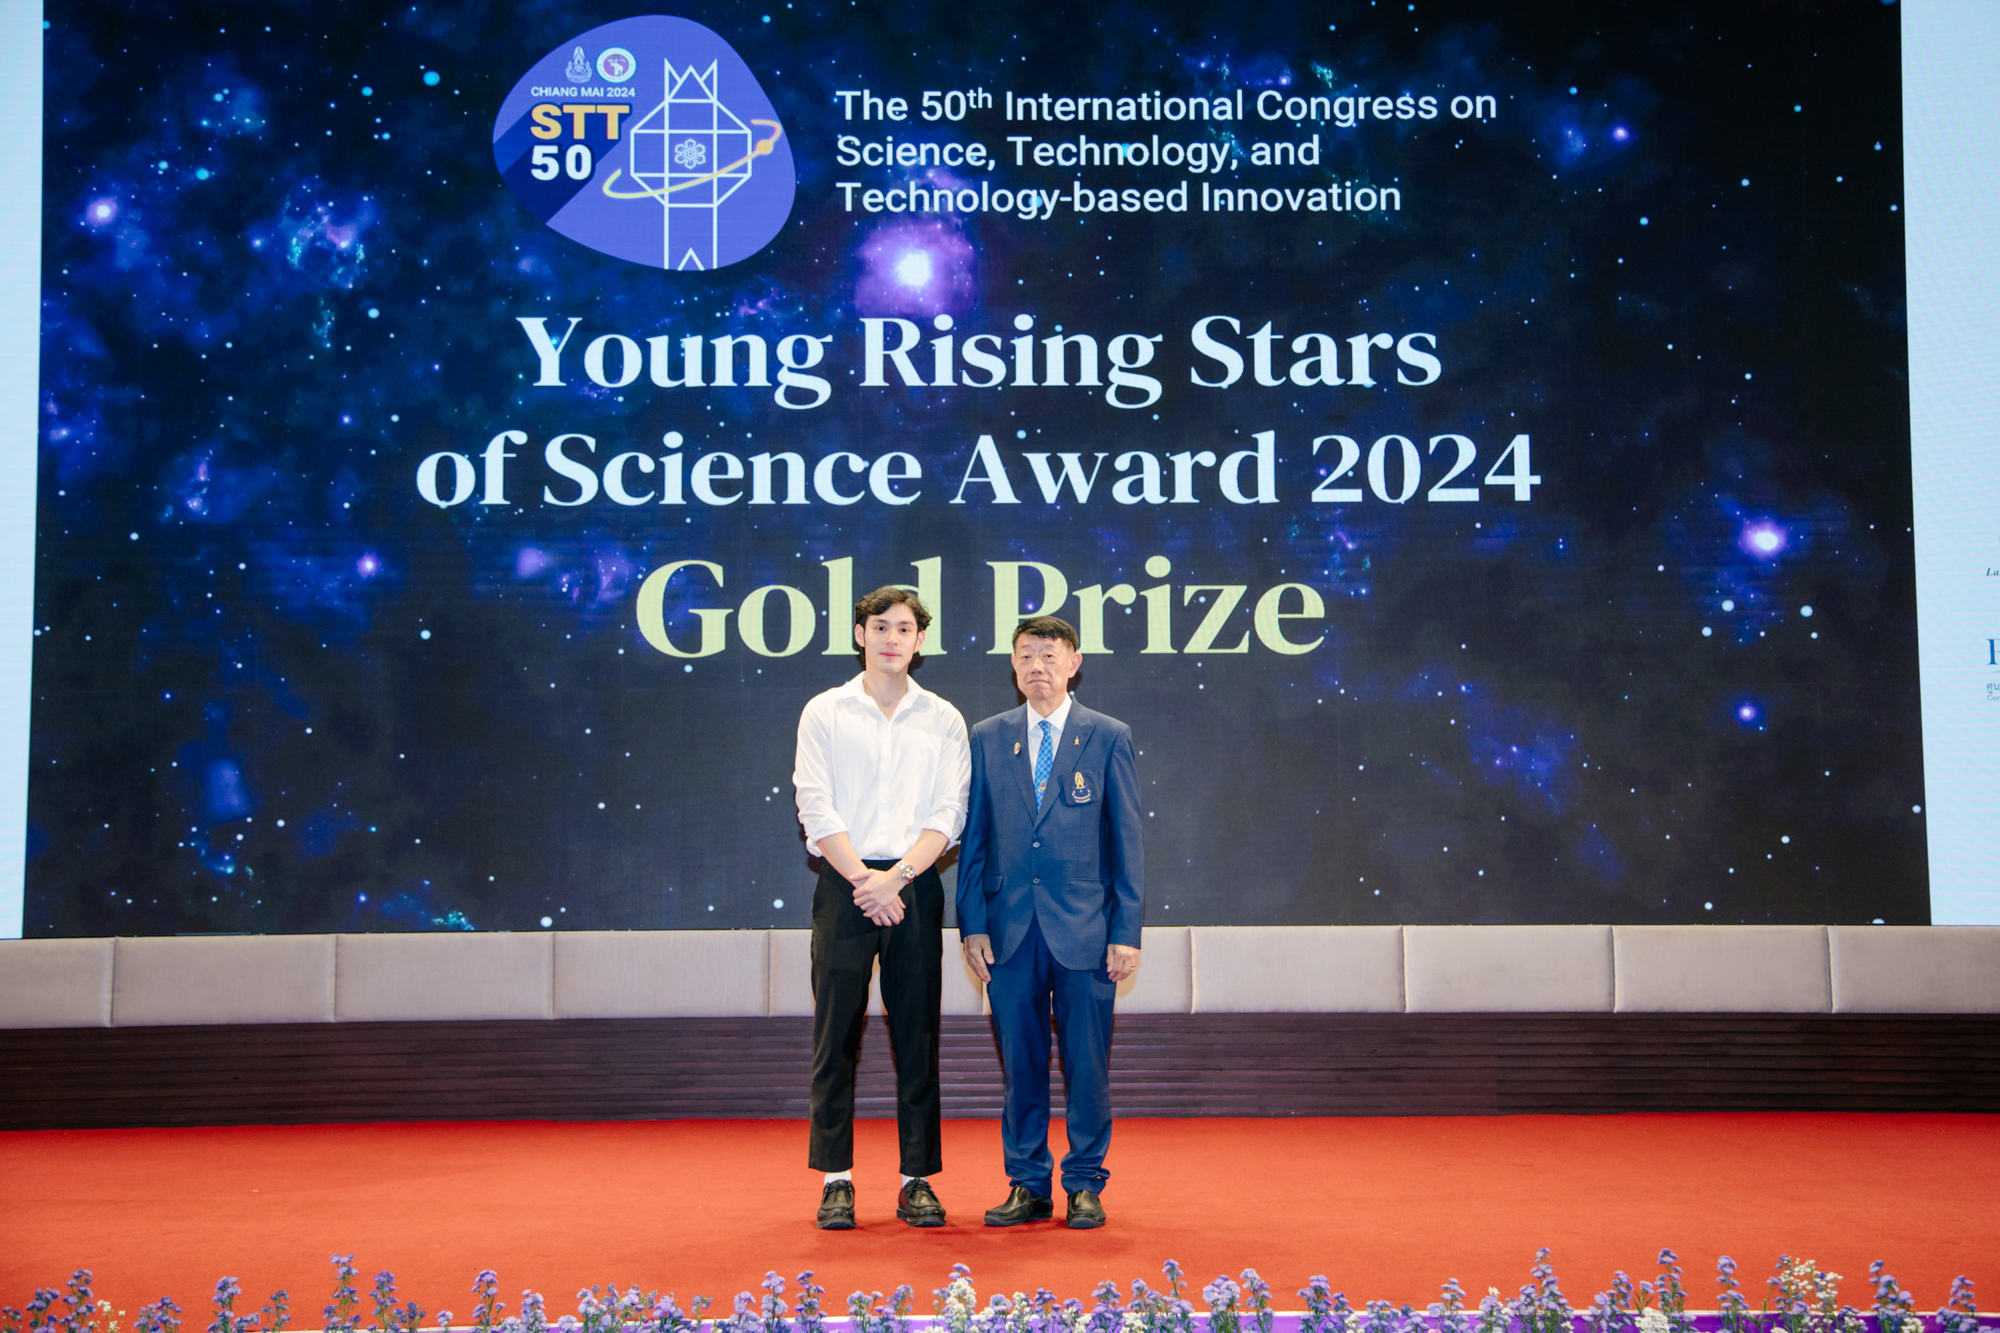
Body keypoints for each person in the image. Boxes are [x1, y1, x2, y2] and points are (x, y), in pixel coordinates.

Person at [956, 615, 1143, 1230]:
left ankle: (1085, 1182)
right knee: (1021, 1066)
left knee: (1087, 1067)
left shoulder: (1108, 736)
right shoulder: (987, 737)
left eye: (1049, 654)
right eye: (1025, 655)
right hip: (1008, 931)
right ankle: (1027, 1183)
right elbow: (975, 837)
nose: (1037, 665)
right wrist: (972, 923)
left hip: (1088, 930)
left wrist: (1126, 931)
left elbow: (1127, 841)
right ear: (1013, 664)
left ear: (1073, 663)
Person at [792, 586, 970, 1230]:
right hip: (844, 884)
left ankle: (916, 1179)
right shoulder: (825, 711)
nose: (891, 638)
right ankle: (835, 1180)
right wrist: (864, 880)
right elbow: (815, 805)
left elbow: (949, 813)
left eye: (904, 628)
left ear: (920, 641)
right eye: (880, 627)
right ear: (860, 634)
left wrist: (895, 879)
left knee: (916, 1035)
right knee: (835, 1036)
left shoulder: (943, 718)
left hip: (914, 884)